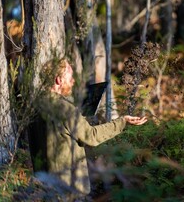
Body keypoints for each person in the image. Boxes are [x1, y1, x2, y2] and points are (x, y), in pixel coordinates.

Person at [28, 58, 147, 195]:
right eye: (70, 77)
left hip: (44, 185)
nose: (73, 81)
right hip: (67, 186)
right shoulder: (65, 109)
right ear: (58, 80)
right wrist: (122, 121)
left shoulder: (34, 106)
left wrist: (78, 118)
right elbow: (91, 136)